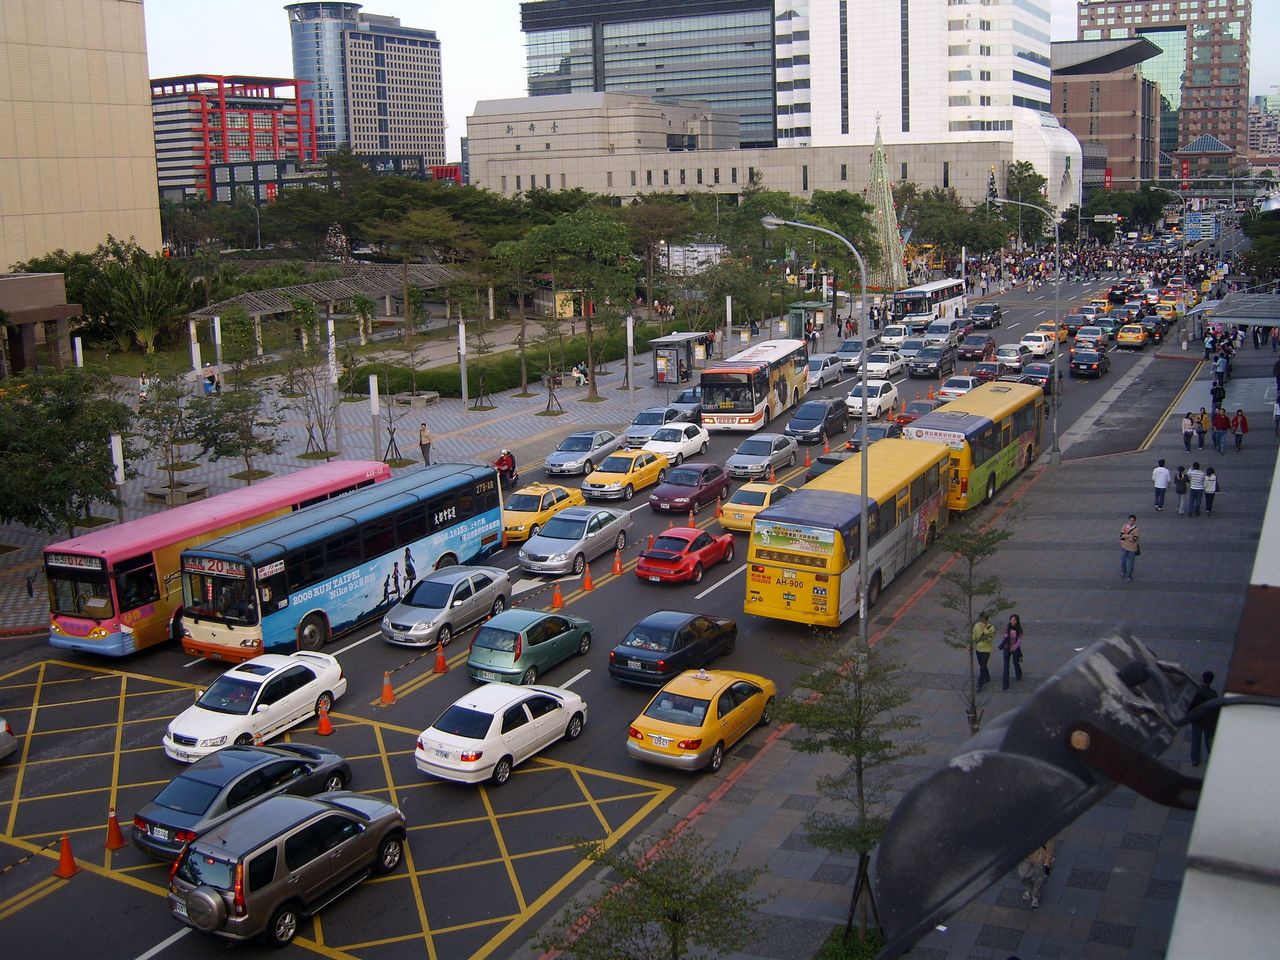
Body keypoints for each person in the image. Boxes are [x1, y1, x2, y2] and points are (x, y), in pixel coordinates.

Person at [1188, 671, 1219, 767]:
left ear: (1203, 679)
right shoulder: (1213, 694)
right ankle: (1212, 756)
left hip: (1197, 720)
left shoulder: (1196, 691)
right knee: (1209, 740)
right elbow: (1215, 708)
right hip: (1208, 722)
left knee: (1195, 740)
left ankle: (1195, 760)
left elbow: (1190, 707)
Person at [1019, 840, 1056, 909]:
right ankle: (1029, 889)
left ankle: (1035, 896)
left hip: (1040, 858)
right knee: (1023, 875)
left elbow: (1050, 847)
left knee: (1038, 879)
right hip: (1025, 857)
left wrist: (1047, 861)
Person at [999, 614, 1024, 690]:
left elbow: (1019, 641)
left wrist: (1014, 647)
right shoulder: (1008, 628)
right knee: (1006, 666)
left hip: (1015, 649)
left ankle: (1019, 674)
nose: (1012, 621)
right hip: (1006, 648)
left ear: (1017, 621)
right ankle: (1005, 684)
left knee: (1015, 662)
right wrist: (1005, 635)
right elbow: (1004, 635)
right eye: (1011, 620)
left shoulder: (1019, 629)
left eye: (1013, 620)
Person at [972, 611, 994, 691]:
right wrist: (972, 644)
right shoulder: (976, 626)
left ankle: (979, 683)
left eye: (983, 620)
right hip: (978, 649)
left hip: (986, 650)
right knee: (982, 664)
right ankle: (987, 677)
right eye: (981, 619)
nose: (981, 622)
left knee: (982, 666)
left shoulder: (991, 628)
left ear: (986, 620)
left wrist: (985, 629)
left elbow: (989, 639)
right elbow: (974, 635)